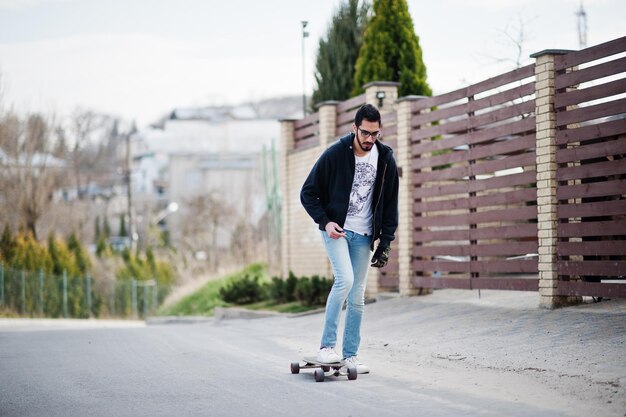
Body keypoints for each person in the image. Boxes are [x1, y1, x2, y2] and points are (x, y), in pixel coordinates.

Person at [300, 103, 399, 374]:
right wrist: (325, 221)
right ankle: (326, 347)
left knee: (357, 296)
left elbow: (391, 204)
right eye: (365, 133)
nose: (369, 139)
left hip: (365, 235)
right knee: (345, 279)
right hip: (338, 230)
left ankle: (350, 355)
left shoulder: (386, 159)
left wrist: (386, 242)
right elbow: (308, 193)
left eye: (375, 134)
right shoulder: (335, 154)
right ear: (354, 128)